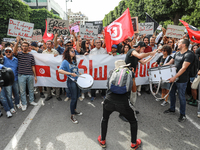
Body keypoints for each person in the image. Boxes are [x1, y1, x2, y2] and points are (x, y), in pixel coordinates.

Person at [97, 60, 141, 150]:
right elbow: (133, 89)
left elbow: (108, 86)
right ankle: (133, 144)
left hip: (109, 100)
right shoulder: (129, 73)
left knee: (105, 119)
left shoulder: (112, 72)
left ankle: (102, 140)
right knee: (133, 121)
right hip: (123, 103)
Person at [164, 39, 195, 122]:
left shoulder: (189, 54)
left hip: (182, 79)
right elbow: (170, 62)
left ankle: (182, 114)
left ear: (184, 45)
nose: (177, 43)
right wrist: (160, 67)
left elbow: (184, 68)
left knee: (181, 97)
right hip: (173, 78)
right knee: (171, 93)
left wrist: (174, 77)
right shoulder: (177, 53)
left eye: (179, 42)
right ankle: (172, 109)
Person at [124, 41, 157, 116]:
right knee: (131, 91)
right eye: (142, 49)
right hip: (127, 74)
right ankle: (128, 110)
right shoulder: (132, 51)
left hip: (131, 75)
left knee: (133, 91)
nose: (143, 51)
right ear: (138, 47)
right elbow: (139, 56)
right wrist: (149, 53)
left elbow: (143, 62)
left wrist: (152, 56)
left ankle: (131, 108)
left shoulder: (136, 54)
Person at [58, 46, 83, 124]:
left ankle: (74, 111)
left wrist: (79, 73)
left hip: (76, 81)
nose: (73, 52)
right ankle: (72, 116)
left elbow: (76, 71)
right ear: (68, 53)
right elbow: (60, 70)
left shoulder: (74, 61)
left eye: (74, 51)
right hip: (71, 81)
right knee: (74, 98)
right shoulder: (65, 61)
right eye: (72, 51)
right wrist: (70, 73)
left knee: (76, 97)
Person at [13, 36, 38, 111]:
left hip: (30, 74)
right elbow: (14, 51)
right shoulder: (19, 54)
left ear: (28, 47)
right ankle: (24, 104)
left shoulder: (31, 55)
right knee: (22, 91)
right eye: (23, 46)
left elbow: (33, 66)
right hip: (21, 75)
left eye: (25, 46)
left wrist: (35, 76)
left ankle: (31, 101)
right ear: (21, 46)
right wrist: (17, 42)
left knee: (31, 89)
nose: (24, 47)